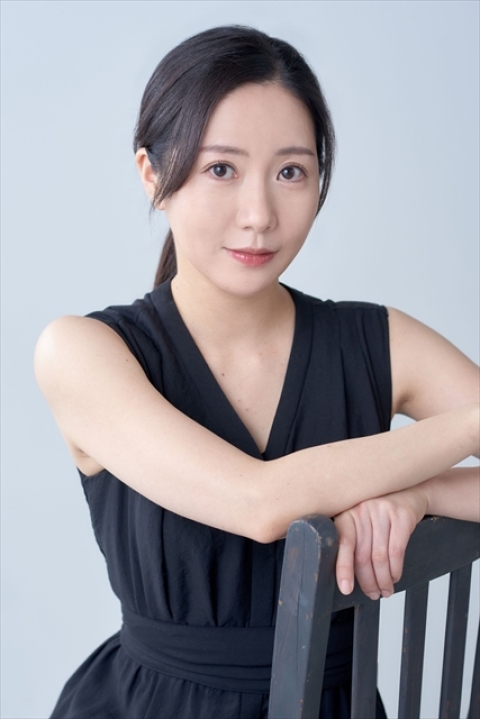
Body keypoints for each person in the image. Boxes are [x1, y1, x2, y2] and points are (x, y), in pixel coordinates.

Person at [34, 25, 479, 719]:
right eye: (222, 169)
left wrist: (423, 496)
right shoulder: (82, 351)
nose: (259, 215)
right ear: (152, 174)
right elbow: (260, 503)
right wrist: (471, 427)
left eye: (290, 172)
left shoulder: (377, 341)